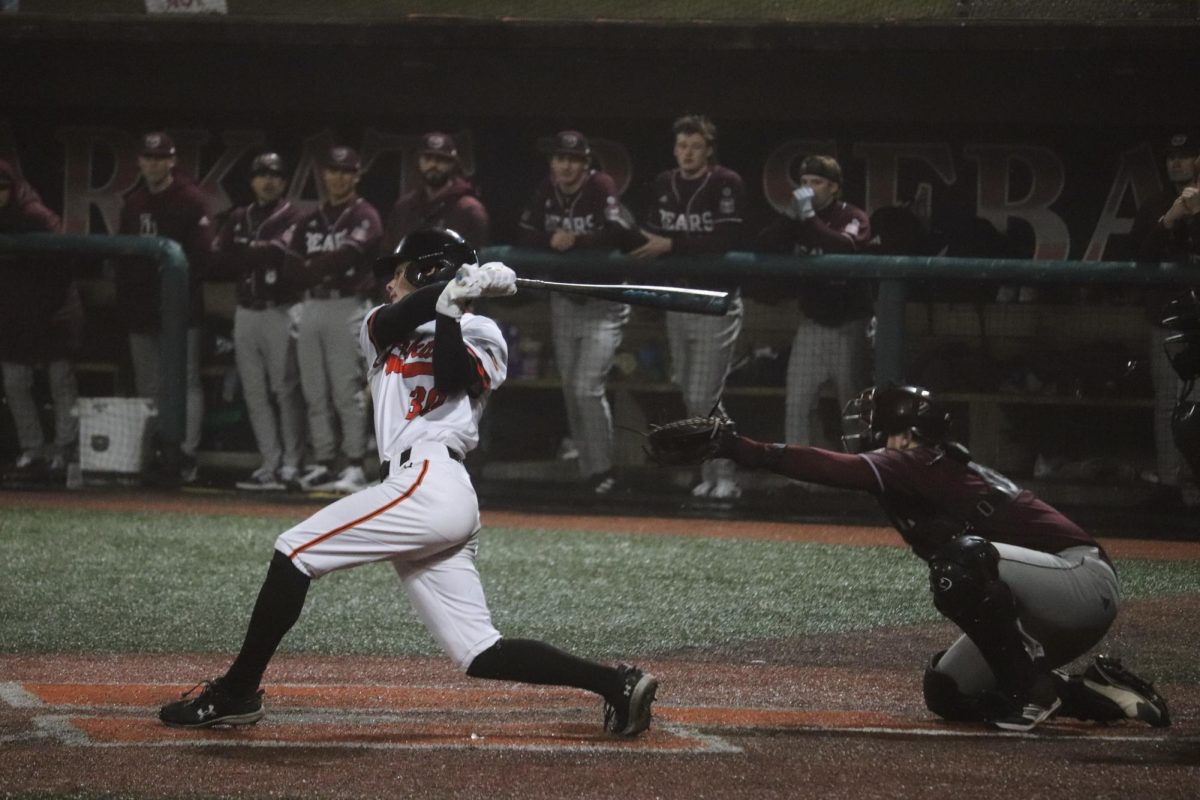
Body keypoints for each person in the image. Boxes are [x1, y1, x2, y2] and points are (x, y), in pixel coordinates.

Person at [158, 228, 658, 738]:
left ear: (425, 270)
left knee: (295, 551)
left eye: (399, 272)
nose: (389, 284)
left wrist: (451, 306)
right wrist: (447, 293)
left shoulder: (484, 333)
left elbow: (449, 376)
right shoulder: (379, 328)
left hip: (433, 478)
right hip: (417, 487)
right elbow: (401, 315)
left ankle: (237, 691)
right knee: (479, 651)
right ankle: (616, 684)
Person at [698, 384, 1170, 732]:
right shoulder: (922, 466)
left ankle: (1034, 691)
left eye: (878, 429)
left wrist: (738, 447)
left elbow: (825, 468)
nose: (866, 437)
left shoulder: (916, 460)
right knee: (949, 692)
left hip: (1079, 580)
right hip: (1041, 596)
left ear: (906, 436)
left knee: (959, 564)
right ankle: (1093, 690)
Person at [631, 114, 745, 499]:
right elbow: (651, 231)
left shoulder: (726, 182)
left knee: (702, 395)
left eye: (695, 146)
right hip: (677, 299)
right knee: (693, 392)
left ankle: (727, 473)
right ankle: (712, 473)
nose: (687, 153)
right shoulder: (665, 183)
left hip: (715, 301)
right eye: (682, 146)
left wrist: (672, 244)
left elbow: (725, 238)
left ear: (709, 150)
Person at [518, 130, 630, 494]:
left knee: (586, 388)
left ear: (585, 163)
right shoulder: (546, 190)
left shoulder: (600, 185)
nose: (564, 165)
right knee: (571, 389)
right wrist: (550, 240)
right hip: (565, 300)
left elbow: (616, 232)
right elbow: (525, 231)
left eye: (572, 159)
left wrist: (575, 241)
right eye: (559, 158)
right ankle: (589, 470)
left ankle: (604, 469)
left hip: (604, 300)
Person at [277, 145, 382, 494]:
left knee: (346, 389)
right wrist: (317, 269)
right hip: (312, 306)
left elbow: (346, 257)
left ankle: (354, 464)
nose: (338, 177)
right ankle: (323, 462)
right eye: (333, 171)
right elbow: (291, 268)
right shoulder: (310, 218)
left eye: (345, 171)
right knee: (314, 391)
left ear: (356, 175)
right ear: (325, 174)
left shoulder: (365, 214)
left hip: (347, 305)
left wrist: (315, 267)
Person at [758, 155, 873, 450]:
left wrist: (807, 216)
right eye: (805, 182)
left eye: (817, 182)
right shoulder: (798, 218)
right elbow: (764, 244)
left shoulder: (853, 215)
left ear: (833, 187)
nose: (808, 188)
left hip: (851, 325)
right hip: (811, 324)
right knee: (796, 401)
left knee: (852, 404)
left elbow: (844, 247)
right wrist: (790, 216)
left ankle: (859, 471)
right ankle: (799, 472)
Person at [115, 131, 211, 483]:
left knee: (186, 382)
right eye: (147, 157)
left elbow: (203, 260)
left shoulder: (190, 199)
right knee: (149, 385)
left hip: (181, 310)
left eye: (160, 157)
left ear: (172, 160)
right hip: (143, 309)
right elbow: (123, 258)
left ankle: (185, 453)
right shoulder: (134, 201)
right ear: (140, 161)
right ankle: (154, 452)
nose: (153, 163)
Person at [207, 152, 306, 491]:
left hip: (280, 309)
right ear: (252, 181)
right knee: (254, 392)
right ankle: (270, 462)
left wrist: (244, 251)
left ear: (284, 181)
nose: (268, 181)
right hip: (246, 310)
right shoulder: (239, 215)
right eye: (262, 175)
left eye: (275, 175)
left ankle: (292, 464)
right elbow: (216, 258)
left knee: (285, 389)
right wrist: (249, 252)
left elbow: (273, 254)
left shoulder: (293, 216)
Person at [0, 159, 81, 482]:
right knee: (15, 383)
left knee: (60, 380)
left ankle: (65, 450)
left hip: (54, 310)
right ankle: (32, 449)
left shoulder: (35, 215)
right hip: (14, 314)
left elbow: (68, 261)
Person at [1133, 135, 1200, 507]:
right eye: (1171, 156)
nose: (1177, 163)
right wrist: (1171, 218)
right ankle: (1170, 484)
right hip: (1169, 319)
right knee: (1168, 403)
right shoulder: (1157, 206)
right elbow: (1141, 256)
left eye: (1186, 156)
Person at [381, 131, 490, 254]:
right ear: (418, 161)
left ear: (452, 163)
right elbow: (389, 253)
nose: (433, 164)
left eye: (441, 159)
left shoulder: (469, 210)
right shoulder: (403, 208)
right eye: (428, 158)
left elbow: (474, 262)